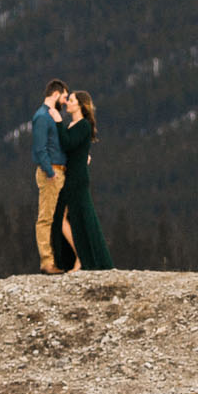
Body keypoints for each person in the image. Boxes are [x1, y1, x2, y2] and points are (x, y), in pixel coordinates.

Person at [49, 90, 114, 272]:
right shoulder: (74, 125)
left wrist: (58, 121)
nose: (67, 103)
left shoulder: (83, 125)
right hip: (71, 175)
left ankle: (81, 258)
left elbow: (68, 143)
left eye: (71, 100)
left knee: (72, 217)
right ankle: (79, 257)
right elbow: (71, 147)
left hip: (76, 178)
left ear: (80, 105)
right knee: (73, 217)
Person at [30, 78, 69, 273]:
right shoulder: (42, 117)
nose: (65, 101)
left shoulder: (50, 116)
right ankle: (47, 260)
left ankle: (60, 258)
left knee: (60, 217)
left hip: (57, 170)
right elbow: (39, 147)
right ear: (55, 94)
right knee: (46, 217)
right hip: (50, 172)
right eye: (64, 96)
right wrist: (50, 170)